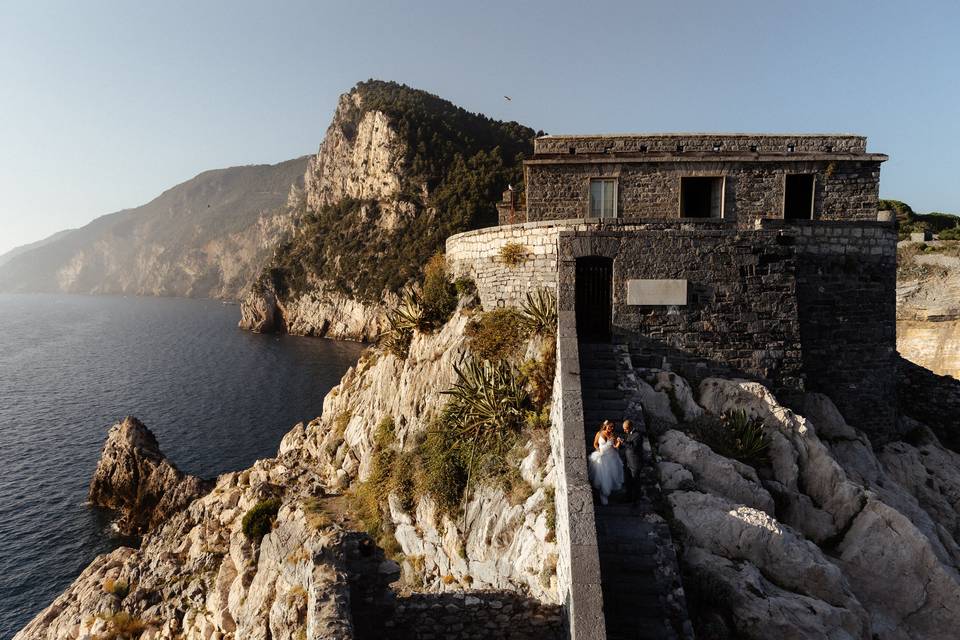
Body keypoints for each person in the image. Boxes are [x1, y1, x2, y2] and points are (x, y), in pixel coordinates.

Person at [588, 420, 624, 505]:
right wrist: (599, 450)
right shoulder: (599, 433)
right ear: (605, 426)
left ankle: (605, 494)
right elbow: (595, 444)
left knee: (609, 476)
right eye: (609, 426)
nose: (611, 428)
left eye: (612, 427)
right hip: (602, 456)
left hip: (611, 457)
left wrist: (618, 442)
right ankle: (602, 494)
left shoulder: (613, 435)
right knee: (602, 476)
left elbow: (616, 447)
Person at [620, 419, 643, 500]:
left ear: (630, 427)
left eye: (625, 429)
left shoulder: (637, 435)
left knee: (636, 482)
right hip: (628, 462)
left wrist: (624, 442)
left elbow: (633, 447)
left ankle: (636, 500)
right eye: (624, 429)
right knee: (628, 481)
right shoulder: (627, 434)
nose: (624, 430)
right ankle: (628, 497)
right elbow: (627, 446)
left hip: (635, 463)